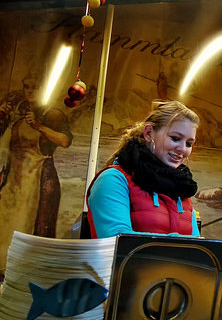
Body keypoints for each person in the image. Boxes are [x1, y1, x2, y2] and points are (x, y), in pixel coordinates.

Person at [86, 100, 201, 238]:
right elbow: (117, 242)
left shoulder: (182, 189)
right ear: (148, 134)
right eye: (175, 138)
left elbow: (198, 248)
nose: (183, 149)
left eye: (189, 143)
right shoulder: (113, 179)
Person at [0, 74, 72, 271]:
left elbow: (65, 140)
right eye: (26, 87)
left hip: (38, 180)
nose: (30, 91)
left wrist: (39, 127)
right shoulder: (19, 115)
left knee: (30, 232)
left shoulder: (52, 115)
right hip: (13, 182)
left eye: (35, 87)